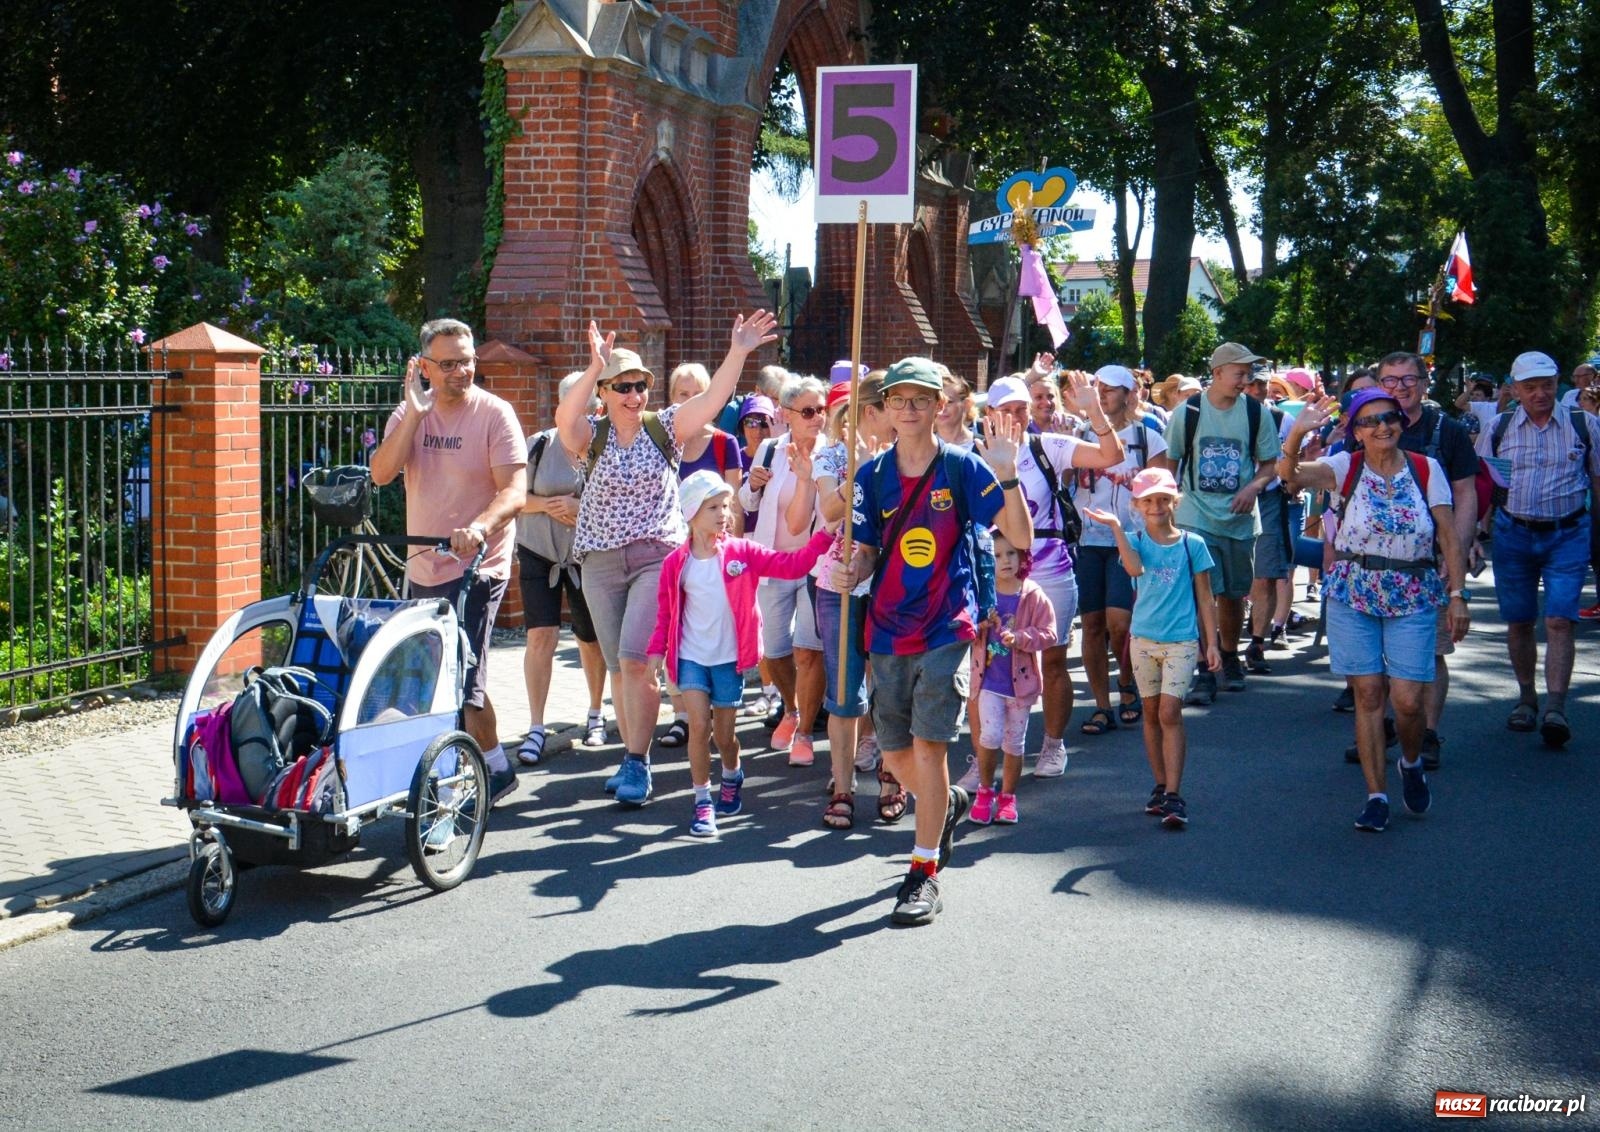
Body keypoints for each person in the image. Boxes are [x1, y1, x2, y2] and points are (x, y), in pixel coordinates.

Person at [834, 356, 1033, 926]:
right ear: (885, 409)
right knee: (894, 755)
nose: (911, 408)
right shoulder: (871, 477)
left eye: (922, 398)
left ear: (939, 405)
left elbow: (1018, 536)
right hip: (887, 628)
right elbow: (869, 548)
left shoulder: (966, 469)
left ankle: (922, 873)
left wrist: (1008, 472)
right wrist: (854, 569)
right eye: (900, 399)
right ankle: (947, 803)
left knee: (929, 745)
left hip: (949, 624)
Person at [556, 309, 778, 807]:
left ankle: (638, 762)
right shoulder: (591, 435)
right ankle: (632, 754)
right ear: (607, 393)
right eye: (624, 387)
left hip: (657, 557)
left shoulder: (666, 428)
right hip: (600, 560)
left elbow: (713, 399)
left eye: (641, 385)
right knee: (619, 665)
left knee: (638, 662)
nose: (635, 395)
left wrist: (738, 351)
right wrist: (593, 368)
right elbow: (563, 420)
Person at [1282, 389, 1469, 832]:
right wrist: (1296, 433)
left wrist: (1458, 594)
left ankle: (1409, 761)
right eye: (1369, 420)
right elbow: (1289, 478)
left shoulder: (1427, 469)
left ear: (1402, 423)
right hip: (1354, 590)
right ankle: (1376, 795)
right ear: (1355, 430)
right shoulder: (1345, 467)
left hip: (1413, 591)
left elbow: (1447, 535)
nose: (1382, 426)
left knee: (1406, 702)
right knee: (1368, 694)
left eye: (1390, 417)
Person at [370, 317, 528, 807]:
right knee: (435, 674)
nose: (462, 370)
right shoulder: (410, 412)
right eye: (450, 363)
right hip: (424, 567)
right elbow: (380, 474)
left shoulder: (495, 414)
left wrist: (479, 527)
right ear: (424, 367)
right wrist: (415, 415)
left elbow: (515, 491)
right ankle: (494, 767)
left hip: (479, 566)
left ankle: (461, 778)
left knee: (463, 674)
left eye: (468, 360)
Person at [647, 471, 831, 837]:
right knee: (699, 726)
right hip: (690, 659)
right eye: (712, 506)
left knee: (725, 736)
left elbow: (790, 565)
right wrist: (656, 653)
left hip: (729, 662)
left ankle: (732, 773)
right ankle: (702, 802)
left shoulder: (741, 553)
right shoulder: (675, 565)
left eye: (726, 506)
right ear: (691, 512)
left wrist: (825, 536)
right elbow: (665, 614)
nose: (723, 514)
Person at [1475, 350, 1600, 748]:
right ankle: (1527, 698)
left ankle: (1556, 708)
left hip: (1569, 534)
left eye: (1547, 384)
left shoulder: (1586, 425)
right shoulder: (1499, 427)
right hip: (1514, 534)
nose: (1541, 393)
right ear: (1515, 390)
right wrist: (1477, 532)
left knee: (1560, 620)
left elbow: (1597, 481)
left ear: (1557, 383)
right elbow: (1484, 486)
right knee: (1519, 621)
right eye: (1530, 387)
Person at [1084, 467, 1220, 830]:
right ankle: (1160, 785)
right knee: (1150, 712)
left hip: (1181, 641)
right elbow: (1132, 568)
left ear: (1175, 502)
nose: (1157, 506)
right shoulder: (1136, 540)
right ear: (1138, 506)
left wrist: (1213, 643)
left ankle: (1175, 793)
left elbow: (1206, 598)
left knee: (1169, 712)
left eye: (1163, 499)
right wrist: (1116, 528)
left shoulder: (1193, 544)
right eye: (1149, 500)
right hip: (1143, 640)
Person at [1366, 350, 1479, 769]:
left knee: (1431, 650)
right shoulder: (1366, 426)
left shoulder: (1445, 430)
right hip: (1372, 561)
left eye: (1408, 379)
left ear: (1424, 383)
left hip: (1429, 559)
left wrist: (1459, 550)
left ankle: (1427, 733)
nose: (1400, 388)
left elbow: (1465, 493)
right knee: (1371, 655)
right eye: (1390, 381)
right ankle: (1381, 728)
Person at [1155, 342, 1282, 702]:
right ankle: (1203, 665)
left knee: (1232, 595)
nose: (1246, 380)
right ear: (1218, 373)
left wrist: (1254, 487)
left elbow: (1269, 464)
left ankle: (1229, 654)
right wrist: (1169, 504)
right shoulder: (1189, 411)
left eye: (1249, 374)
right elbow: (1171, 461)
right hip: (1196, 516)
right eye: (1240, 373)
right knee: (1202, 593)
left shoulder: (1256, 413)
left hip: (1240, 521)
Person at [653, 362, 750, 751]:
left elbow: (734, 506)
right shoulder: (662, 441)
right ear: (671, 398)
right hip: (672, 553)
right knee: (677, 629)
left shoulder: (725, 443)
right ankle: (683, 713)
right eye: (682, 393)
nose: (690, 401)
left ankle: (718, 723)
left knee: (711, 630)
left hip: (714, 554)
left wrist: (734, 556)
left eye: (698, 393)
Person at [515, 371, 610, 765]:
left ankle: (595, 713)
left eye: (587, 410)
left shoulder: (605, 447)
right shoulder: (538, 445)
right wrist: (551, 505)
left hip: (586, 556)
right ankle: (535, 726)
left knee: (590, 639)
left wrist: (580, 508)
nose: (580, 417)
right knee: (541, 637)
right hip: (539, 551)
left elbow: (615, 504)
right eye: (573, 410)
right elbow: (513, 496)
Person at [813, 373, 893, 829]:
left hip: (892, 583)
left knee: (889, 688)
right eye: (889, 407)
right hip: (838, 582)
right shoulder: (831, 455)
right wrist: (859, 471)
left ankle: (891, 777)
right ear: (869, 412)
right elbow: (828, 512)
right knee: (845, 693)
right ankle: (843, 785)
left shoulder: (903, 458)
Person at [737, 374, 829, 766]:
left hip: (816, 566)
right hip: (773, 565)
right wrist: (752, 485)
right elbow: (744, 500)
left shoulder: (833, 451)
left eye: (821, 410)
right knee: (774, 651)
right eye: (808, 411)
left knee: (808, 650)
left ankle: (806, 730)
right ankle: (790, 710)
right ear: (788, 414)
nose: (817, 418)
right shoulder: (771, 450)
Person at [1074, 364, 1167, 735]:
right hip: (1087, 540)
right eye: (1097, 388)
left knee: (1120, 623)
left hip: (1129, 541)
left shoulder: (1149, 439)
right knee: (1092, 625)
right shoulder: (1080, 434)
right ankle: (1101, 704)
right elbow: (1063, 480)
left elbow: (1164, 492)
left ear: (1130, 394)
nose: (1102, 395)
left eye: (1110, 389)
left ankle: (1126, 681)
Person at [966, 529, 1056, 826]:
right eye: (995, 555)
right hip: (988, 681)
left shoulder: (1033, 594)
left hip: (1020, 686)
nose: (1004, 561)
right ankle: (984, 792)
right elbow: (965, 624)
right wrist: (980, 624)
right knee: (989, 736)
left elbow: (1049, 633)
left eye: (1011, 553)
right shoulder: (983, 593)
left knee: (1014, 744)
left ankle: (1008, 797)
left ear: (1022, 556)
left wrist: (1020, 637)